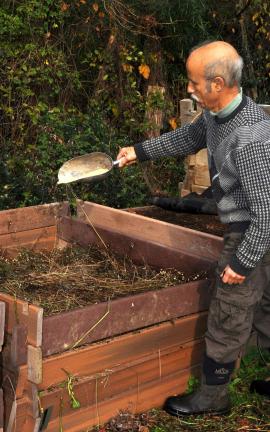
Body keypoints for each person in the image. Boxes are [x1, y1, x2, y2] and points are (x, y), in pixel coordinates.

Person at [117, 40, 270, 416]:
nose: (189, 88)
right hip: (253, 222)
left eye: (193, 82)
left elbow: (266, 212)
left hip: (254, 228)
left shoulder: (251, 138)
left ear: (218, 84)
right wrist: (139, 151)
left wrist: (243, 262)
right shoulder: (219, 117)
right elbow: (189, 137)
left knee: (229, 311)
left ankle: (213, 397)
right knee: (266, 306)